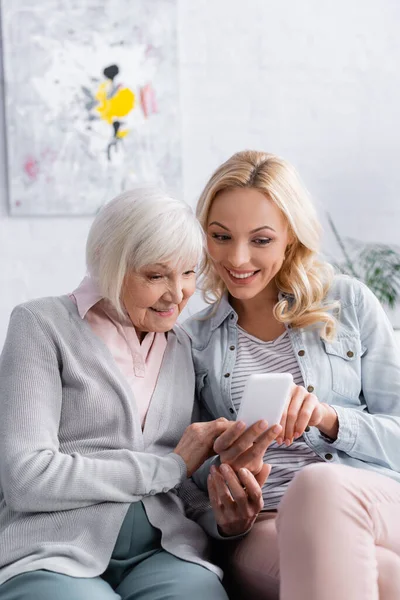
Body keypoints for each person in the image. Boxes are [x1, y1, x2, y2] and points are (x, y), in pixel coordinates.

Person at [0, 186, 279, 600]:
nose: (178, 293)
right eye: (155, 275)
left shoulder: (182, 345)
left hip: (164, 552)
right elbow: (27, 477)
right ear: (110, 267)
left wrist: (225, 516)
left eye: (188, 273)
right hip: (52, 550)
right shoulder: (41, 325)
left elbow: (182, 484)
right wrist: (169, 467)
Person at [182, 151, 400, 600]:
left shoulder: (350, 303)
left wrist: (330, 419)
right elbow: (186, 475)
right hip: (266, 521)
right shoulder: (192, 341)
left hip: (370, 496)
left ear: (290, 239)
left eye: (260, 240)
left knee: (319, 485)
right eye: (220, 236)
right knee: (384, 577)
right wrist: (224, 498)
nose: (237, 258)